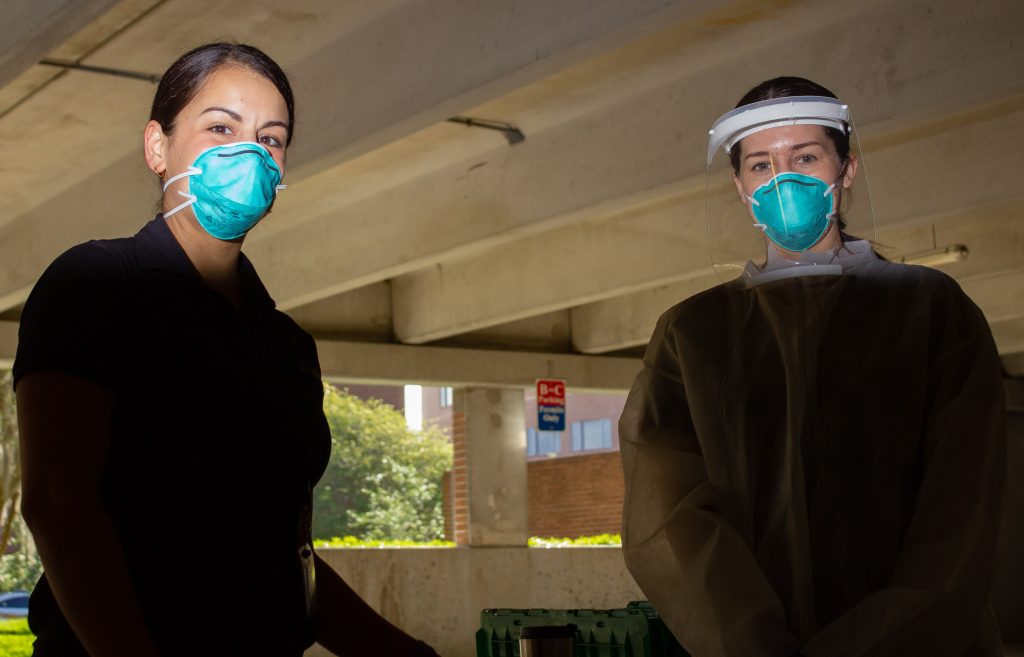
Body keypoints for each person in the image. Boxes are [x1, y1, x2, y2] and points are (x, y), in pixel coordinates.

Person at [14, 43, 441, 657]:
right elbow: (58, 502)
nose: (249, 152)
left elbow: (289, 560)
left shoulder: (285, 344)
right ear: (158, 147)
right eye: (221, 127)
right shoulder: (97, 283)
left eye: (271, 138)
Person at [619, 77, 1006, 657]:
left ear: (846, 169)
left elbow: (960, 508)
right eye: (760, 165)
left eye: (805, 157)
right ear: (738, 184)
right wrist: (753, 644)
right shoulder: (694, 334)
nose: (784, 181)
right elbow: (671, 516)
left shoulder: (929, 310)